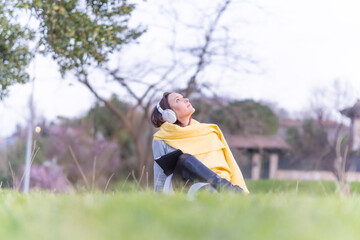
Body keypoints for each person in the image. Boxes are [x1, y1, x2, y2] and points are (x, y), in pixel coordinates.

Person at [151, 92, 249, 194]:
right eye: (177, 100)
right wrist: (160, 202)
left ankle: (227, 190)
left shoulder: (210, 131)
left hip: (217, 185)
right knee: (184, 159)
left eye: (182, 97)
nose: (186, 100)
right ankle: (229, 190)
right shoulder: (161, 139)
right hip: (186, 187)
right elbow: (160, 177)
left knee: (209, 190)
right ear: (169, 114)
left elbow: (230, 162)